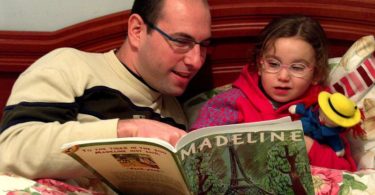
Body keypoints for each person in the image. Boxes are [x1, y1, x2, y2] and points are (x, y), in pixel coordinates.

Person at [0, 0, 211, 179]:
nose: (196, 60)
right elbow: (10, 149)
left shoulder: (174, 114)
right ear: (137, 30)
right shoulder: (70, 66)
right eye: (181, 41)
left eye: (204, 45)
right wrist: (128, 132)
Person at [191, 15, 357, 171]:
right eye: (273, 64)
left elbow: (347, 170)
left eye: (297, 67)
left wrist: (308, 147)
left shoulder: (322, 114)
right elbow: (193, 150)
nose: (283, 77)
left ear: (316, 74)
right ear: (260, 64)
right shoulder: (231, 103)